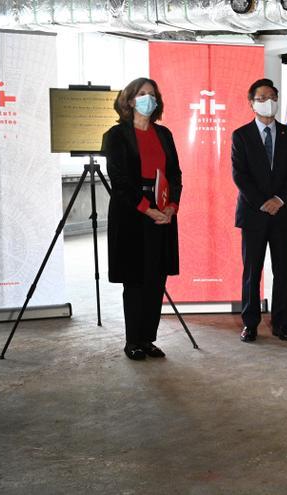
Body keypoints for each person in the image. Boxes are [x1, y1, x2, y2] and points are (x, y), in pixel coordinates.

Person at [103, 77, 182, 361]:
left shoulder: (165, 134)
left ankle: (148, 339)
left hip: (163, 212)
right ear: (130, 100)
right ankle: (132, 341)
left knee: (156, 280)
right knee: (135, 281)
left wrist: (171, 206)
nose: (149, 99)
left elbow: (175, 175)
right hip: (132, 215)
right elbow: (120, 181)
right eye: (143, 94)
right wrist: (148, 209)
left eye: (153, 94)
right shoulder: (116, 136)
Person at [231, 78, 287, 343]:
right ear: (251, 103)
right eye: (261, 98)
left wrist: (279, 200)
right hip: (253, 214)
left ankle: (282, 324)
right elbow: (240, 176)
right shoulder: (241, 135)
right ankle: (250, 324)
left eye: (271, 96)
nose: (267, 102)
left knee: (284, 272)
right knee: (252, 271)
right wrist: (264, 202)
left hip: (284, 214)